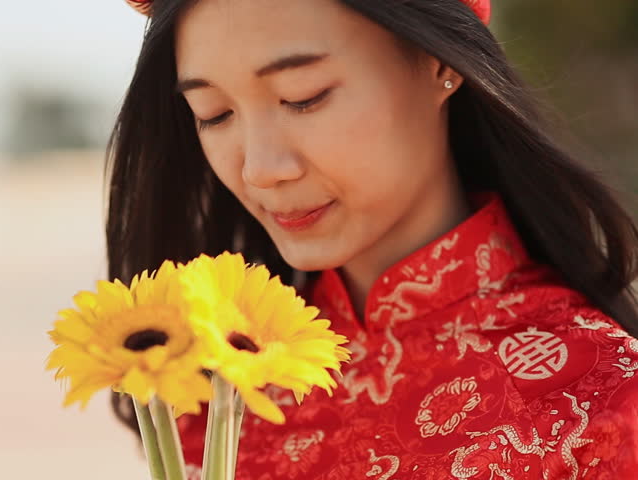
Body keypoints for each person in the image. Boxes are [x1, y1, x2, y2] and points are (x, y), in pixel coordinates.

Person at [108, 0, 638, 477]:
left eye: (303, 97)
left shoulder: (604, 403)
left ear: (440, 63)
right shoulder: (214, 389)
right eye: (215, 114)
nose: (260, 169)